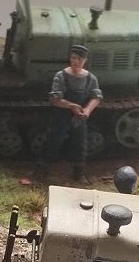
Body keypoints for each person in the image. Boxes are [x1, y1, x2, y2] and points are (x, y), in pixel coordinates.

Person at [36, 44, 102, 181]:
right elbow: (55, 98)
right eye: (73, 58)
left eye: (80, 59)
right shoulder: (61, 76)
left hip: (79, 116)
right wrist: (71, 106)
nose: (76, 61)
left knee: (80, 143)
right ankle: (41, 170)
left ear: (85, 61)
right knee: (53, 140)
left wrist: (88, 109)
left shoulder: (90, 78)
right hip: (62, 115)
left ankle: (78, 172)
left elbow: (96, 96)